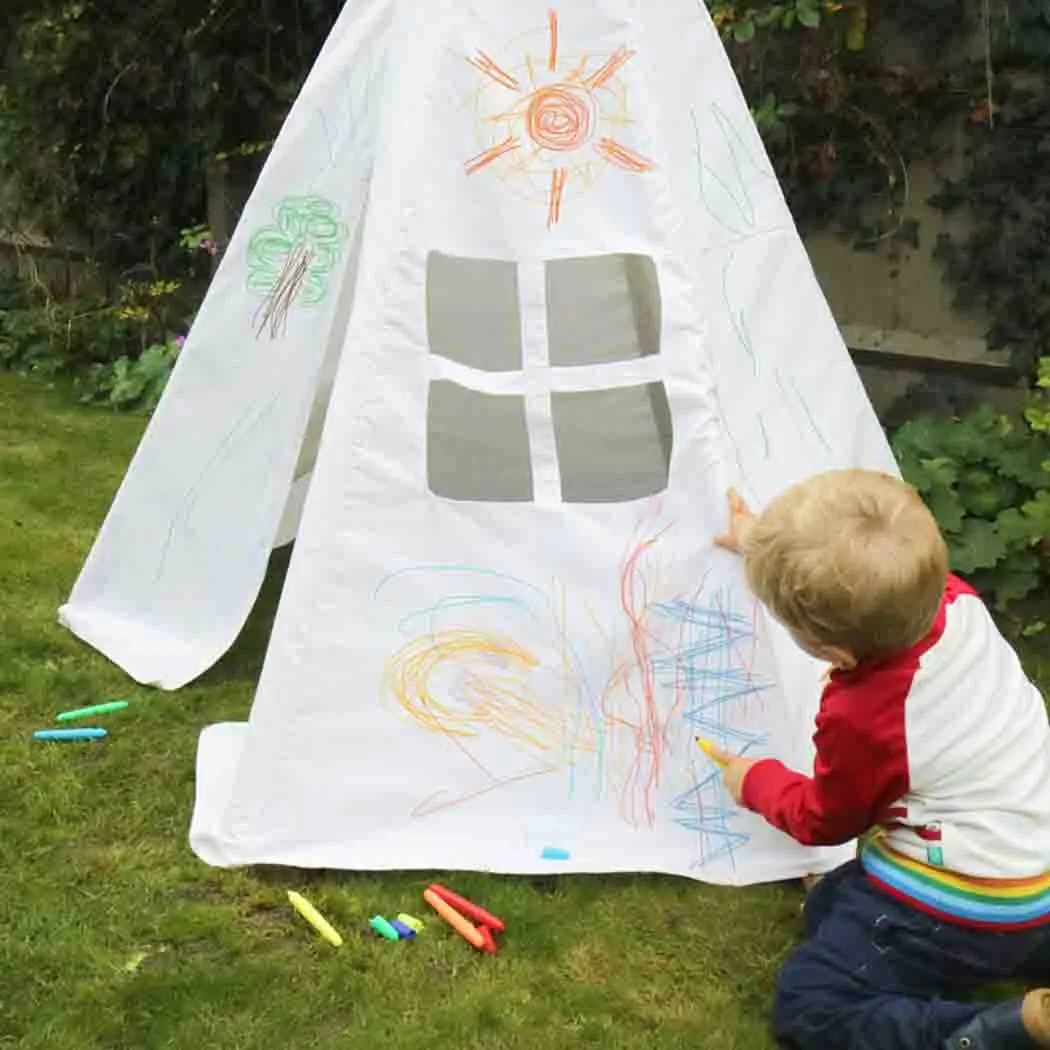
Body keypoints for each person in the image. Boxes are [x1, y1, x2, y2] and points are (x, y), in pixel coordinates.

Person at [710, 469, 1050, 1050]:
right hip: (1033, 862)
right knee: (832, 904)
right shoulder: (954, 599)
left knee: (810, 1002)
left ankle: (988, 1032)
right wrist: (757, 540)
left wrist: (757, 781)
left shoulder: (870, 714)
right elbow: (854, 571)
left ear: (834, 653)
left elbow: (826, 819)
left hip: (962, 899)